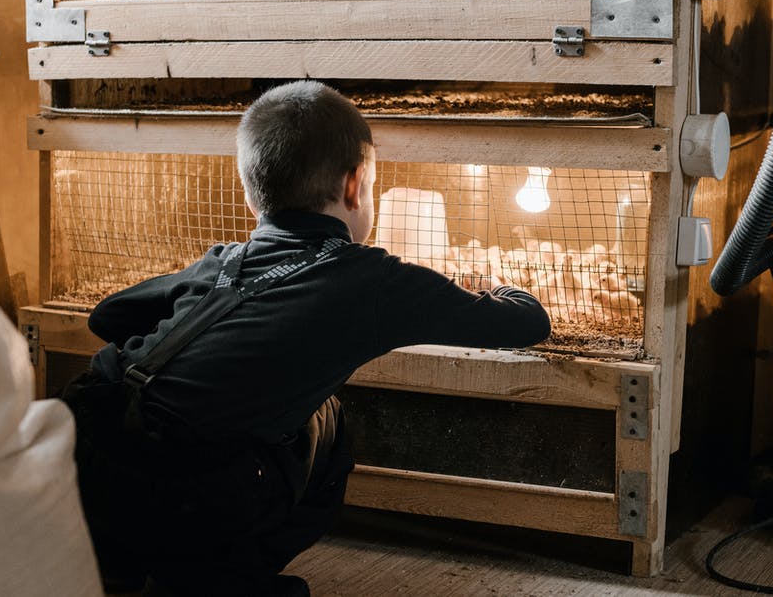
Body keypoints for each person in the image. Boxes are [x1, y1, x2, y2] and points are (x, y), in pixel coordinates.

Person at [62, 80, 551, 597]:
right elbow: (525, 322)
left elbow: (107, 317)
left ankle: (124, 562)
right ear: (355, 184)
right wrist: (494, 281)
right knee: (328, 415)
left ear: (250, 190)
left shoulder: (223, 261)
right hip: (185, 495)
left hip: (84, 458)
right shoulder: (372, 281)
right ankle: (227, 576)